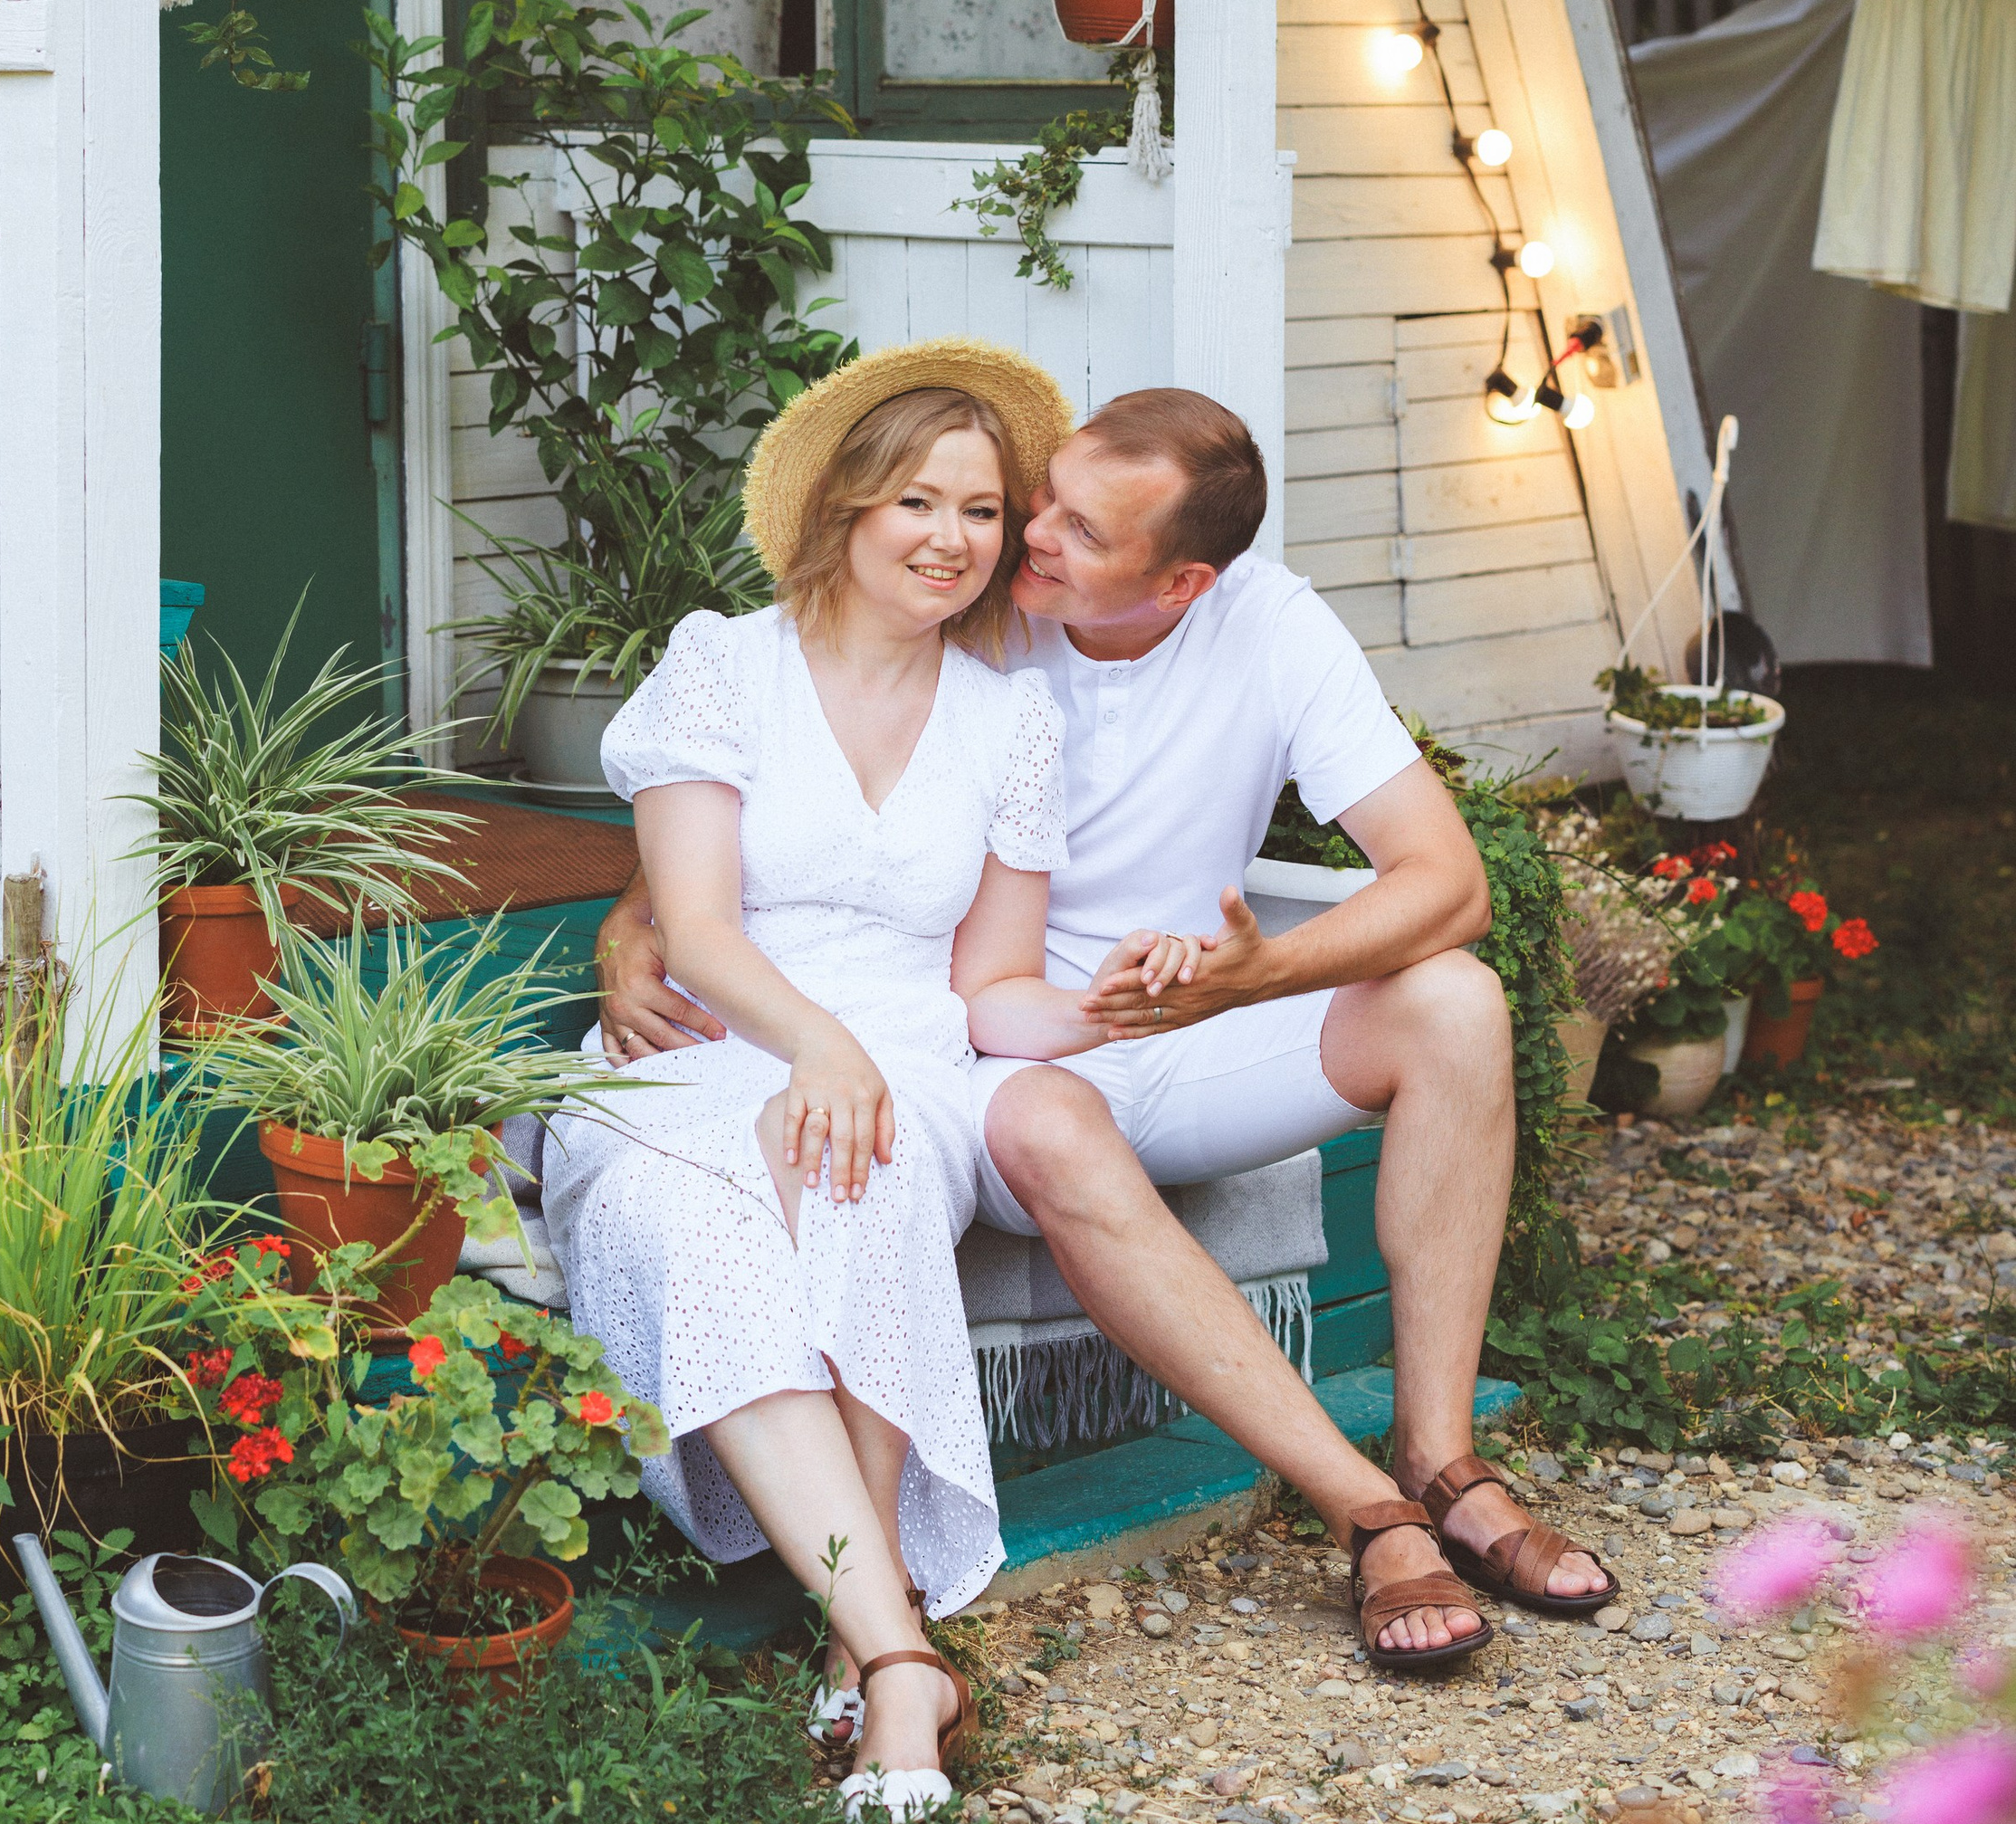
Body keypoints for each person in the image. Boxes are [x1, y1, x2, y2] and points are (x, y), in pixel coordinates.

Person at [600, 384, 1614, 1674]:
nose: (1024, 536)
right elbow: (779, 779)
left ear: (1181, 582)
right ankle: (1364, 1507)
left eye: (1075, 530)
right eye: (1039, 501)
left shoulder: (1264, 628)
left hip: (1184, 1021)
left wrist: (1258, 973)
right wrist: (634, 918)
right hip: (1007, 1047)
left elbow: (1449, 885)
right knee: (1042, 1119)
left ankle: (1441, 1457)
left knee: (1459, 1001)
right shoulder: (971, 603)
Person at [549, 339, 1113, 1817]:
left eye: (982, 510)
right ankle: (895, 1649)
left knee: (857, 1168)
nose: (951, 538)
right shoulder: (721, 665)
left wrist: (1121, 1010)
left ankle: (880, 1658)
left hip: (903, 1062)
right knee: (690, 1228)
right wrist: (817, 1043)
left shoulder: (1011, 720)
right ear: (846, 506)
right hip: (710, 1042)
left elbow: (994, 985)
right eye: (917, 500)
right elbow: (695, 927)